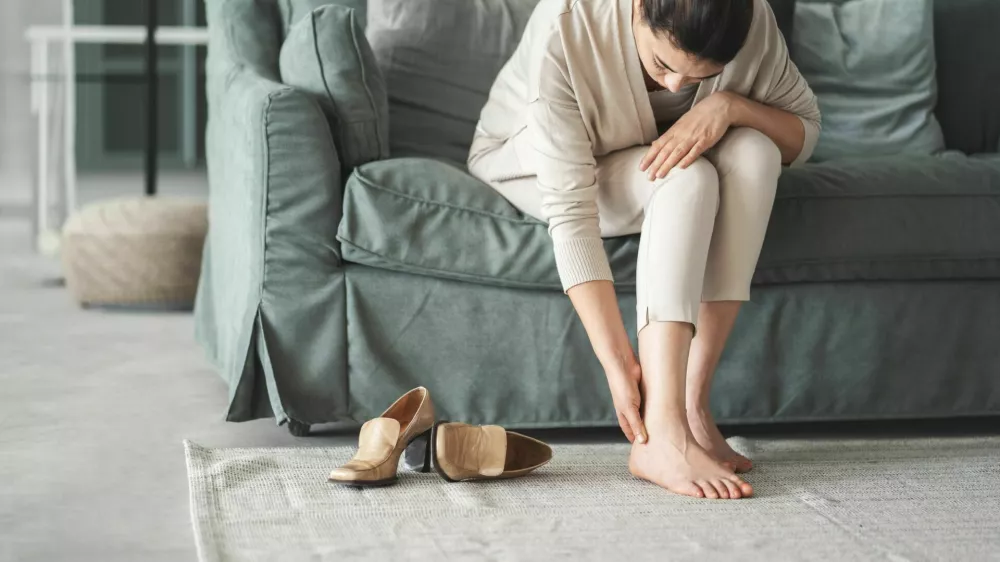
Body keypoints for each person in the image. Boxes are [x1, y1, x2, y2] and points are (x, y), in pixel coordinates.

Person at [468, 0, 820, 499]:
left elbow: (802, 134)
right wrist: (617, 363)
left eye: (702, 77)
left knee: (756, 151)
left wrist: (729, 106)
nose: (677, 86)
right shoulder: (566, 26)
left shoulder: (747, 16)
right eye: (662, 64)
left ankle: (693, 407)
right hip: (530, 162)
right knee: (687, 176)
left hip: (643, 157)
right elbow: (571, 215)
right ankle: (661, 434)